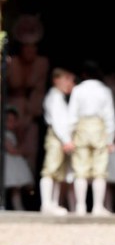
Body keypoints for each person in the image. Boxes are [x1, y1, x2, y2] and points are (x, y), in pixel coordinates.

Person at [67, 60, 115, 216]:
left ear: (83, 74)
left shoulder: (78, 90)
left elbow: (72, 114)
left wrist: (69, 136)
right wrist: (110, 138)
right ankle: (97, 207)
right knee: (99, 170)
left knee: (79, 169)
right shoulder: (104, 90)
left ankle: (80, 207)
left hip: (81, 128)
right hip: (99, 128)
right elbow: (110, 116)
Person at [6, 14, 49, 176]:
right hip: (10, 109)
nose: (30, 50)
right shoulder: (12, 63)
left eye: (33, 46)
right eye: (26, 46)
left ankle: (27, 187)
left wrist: (31, 114)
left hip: (29, 112)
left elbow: (39, 90)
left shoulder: (41, 64)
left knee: (29, 148)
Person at [39, 67, 76, 215]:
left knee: (58, 172)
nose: (69, 83)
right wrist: (66, 139)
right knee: (50, 170)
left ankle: (53, 203)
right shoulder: (54, 97)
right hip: (57, 136)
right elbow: (57, 121)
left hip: (61, 137)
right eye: (66, 79)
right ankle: (46, 203)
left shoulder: (59, 97)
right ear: (56, 80)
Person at [4, 106, 35, 210]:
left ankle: (18, 208)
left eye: (13, 120)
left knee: (16, 188)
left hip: (14, 164)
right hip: (7, 163)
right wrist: (22, 152)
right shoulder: (4, 135)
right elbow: (11, 150)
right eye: (8, 120)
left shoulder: (14, 134)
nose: (11, 123)